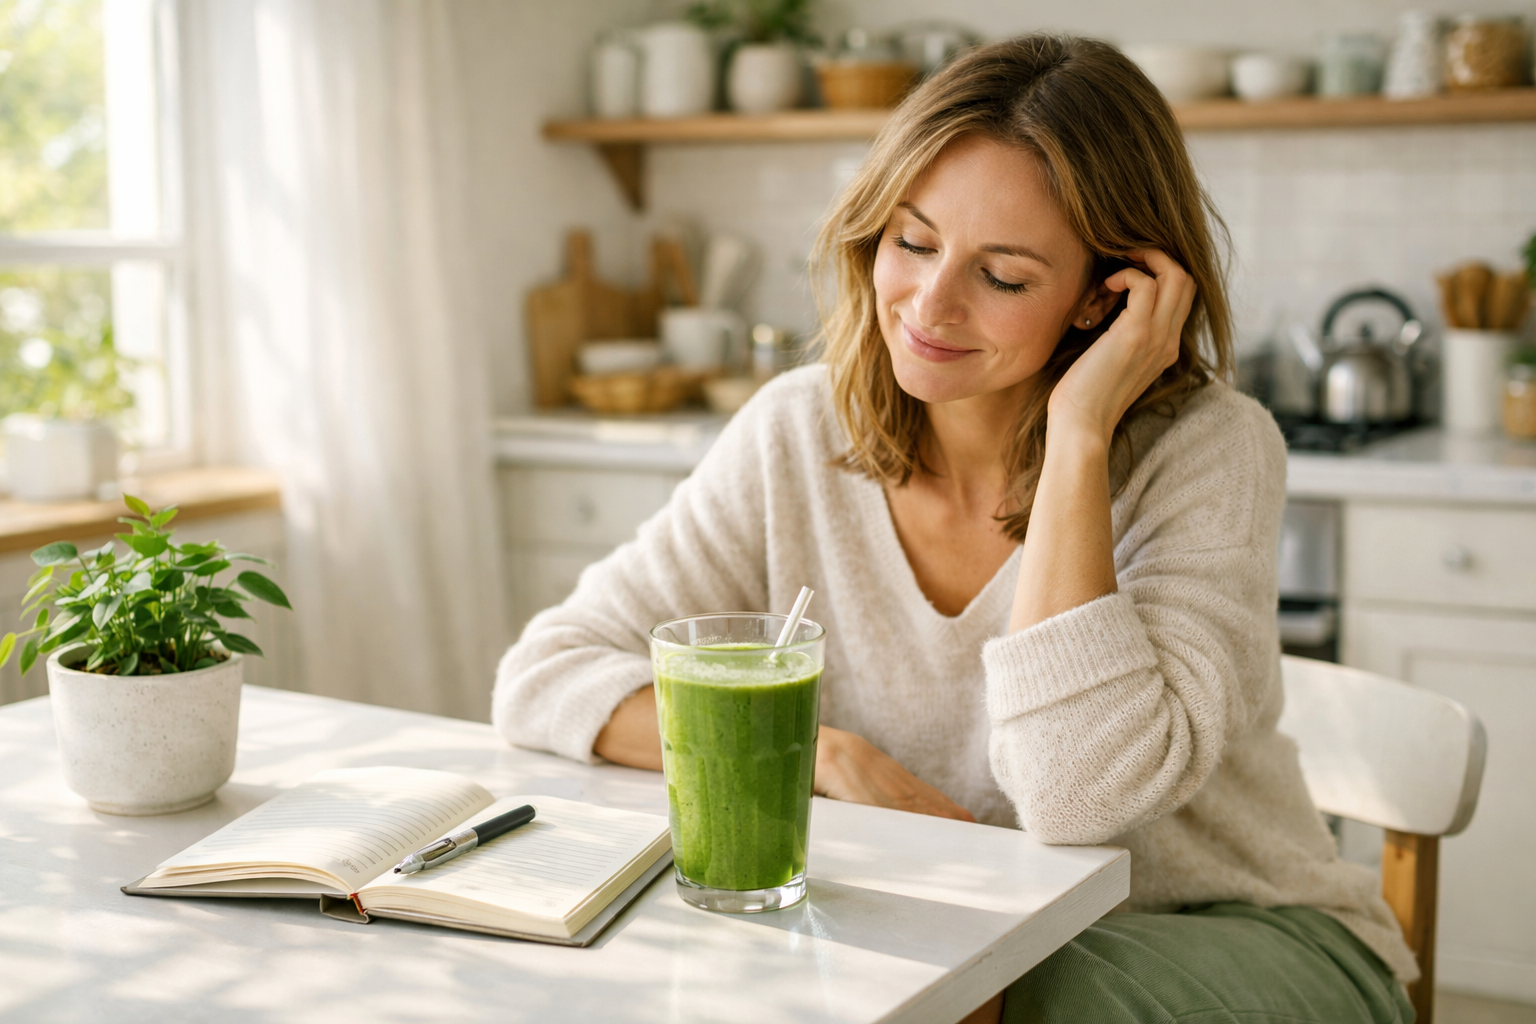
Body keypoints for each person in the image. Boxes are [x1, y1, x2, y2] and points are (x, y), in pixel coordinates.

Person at [494, 35, 1416, 1024]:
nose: (930, 305)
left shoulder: (1209, 451)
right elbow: (545, 676)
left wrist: (1079, 435)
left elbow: (1073, 797)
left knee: (950, 992)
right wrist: (816, 754)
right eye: (914, 241)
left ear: (1105, 298)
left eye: (1005, 277)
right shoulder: (797, 432)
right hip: (959, 925)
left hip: (1234, 931)